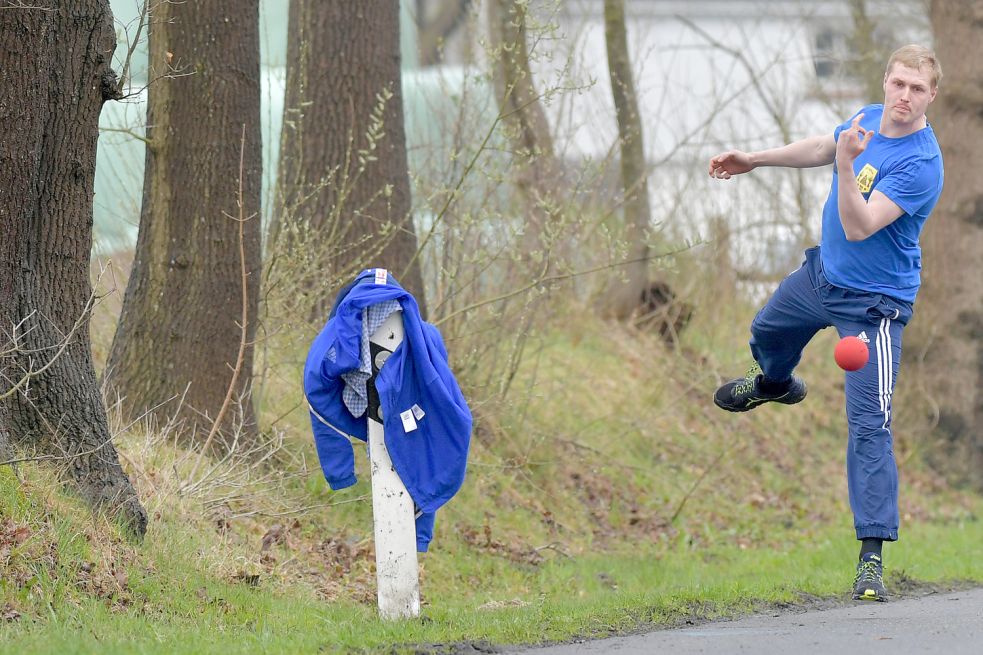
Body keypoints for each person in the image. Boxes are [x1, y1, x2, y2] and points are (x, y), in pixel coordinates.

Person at [709, 45, 944, 602]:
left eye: (917, 88)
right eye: (898, 83)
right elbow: (823, 144)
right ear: (885, 81)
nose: (905, 96)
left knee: (869, 425)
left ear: (932, 95)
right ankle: (773, 384)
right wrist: (756, 159)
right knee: (766, 331)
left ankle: (871, 558)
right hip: (823, 279)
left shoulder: (922, 165)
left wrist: (844, 165)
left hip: (874, 308)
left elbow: (861, 225)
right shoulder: (864, 118)